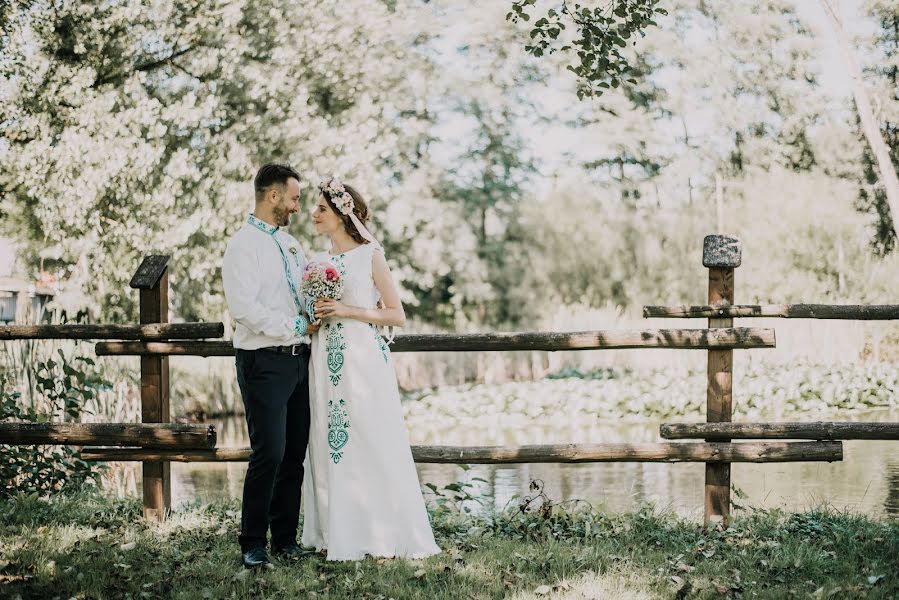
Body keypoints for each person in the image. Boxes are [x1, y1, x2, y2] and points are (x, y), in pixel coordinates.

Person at [300, 178, 440, 561]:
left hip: (362, 358)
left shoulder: (370, 255)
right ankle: (335, 532)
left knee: (370, 437)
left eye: (322, 209)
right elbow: (312, 313)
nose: (313, 214)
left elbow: (397, 315)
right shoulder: (318, 262)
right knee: (329, 438)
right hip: (324, 356)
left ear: (343, 215)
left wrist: (346, 310)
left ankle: (382, 532)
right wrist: (313, 315)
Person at [222, 163, 320, 568]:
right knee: (270, 453)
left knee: (295, 453)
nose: (298, 207)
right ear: (273, 195)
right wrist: (297, 325)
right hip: (263, 361)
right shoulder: (242, 246)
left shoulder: (293, 245)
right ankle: (252, 542)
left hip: (300, 362)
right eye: (294, 198)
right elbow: (245, 310)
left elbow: (303, 294)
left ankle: (285, 538)